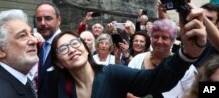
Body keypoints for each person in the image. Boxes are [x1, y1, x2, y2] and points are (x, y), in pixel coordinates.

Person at [49, 7, 206, 98]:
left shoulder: (112, 74)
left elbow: (156, 80)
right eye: (63, 48)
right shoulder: (58, 86)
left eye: (75, 43)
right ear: (58, 62)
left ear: (85, 48)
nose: (72, 49)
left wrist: (186, 54)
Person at [128, 19, 197, 98]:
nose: (159, 41)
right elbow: (125, 86)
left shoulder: (185, 67)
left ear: (172, 41)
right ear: (151, 38)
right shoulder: (137, 59)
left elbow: (192, 94)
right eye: (156, 36)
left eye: (164, 38)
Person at [35, 2, 61, 98]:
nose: (42, 23)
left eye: (48, 18)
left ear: (59, 20)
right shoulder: (43, 46)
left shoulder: (67, 46)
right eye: (39, 19)